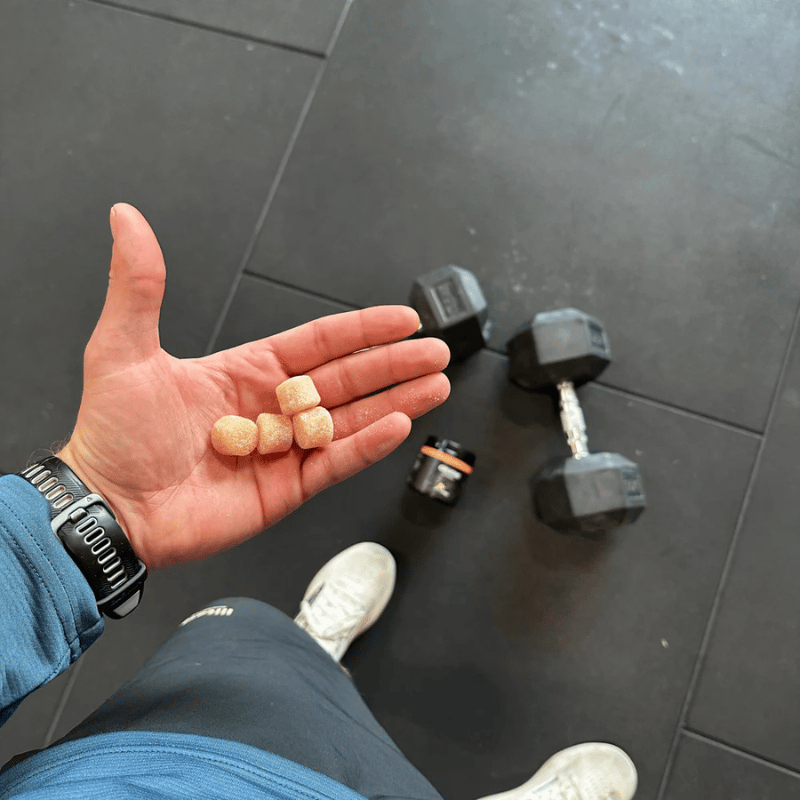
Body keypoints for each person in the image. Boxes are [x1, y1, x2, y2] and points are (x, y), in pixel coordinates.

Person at [0, 204, 638, 800]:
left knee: (247, 650)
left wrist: (98, 500)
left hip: (147, 757)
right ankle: (298, 666)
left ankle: (300, 657)